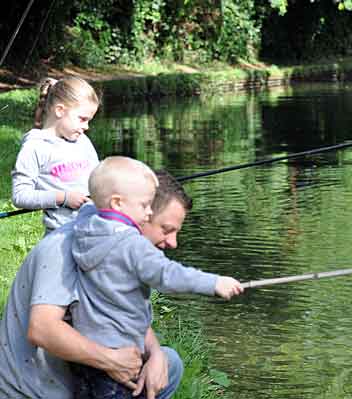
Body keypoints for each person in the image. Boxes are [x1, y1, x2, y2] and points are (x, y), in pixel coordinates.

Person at [0, 167, 209, 399]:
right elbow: (42, 329)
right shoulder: (62, 248)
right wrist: (111, 361)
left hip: (77, 379)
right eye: (166, 230)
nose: (173, 243)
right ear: (139, 214)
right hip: (32, 390)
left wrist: (156, 353)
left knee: (169, 364)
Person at [70, 156, 243, 398]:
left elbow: (90, 206)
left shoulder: (86, 228)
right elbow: (168, 275)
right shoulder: (132, 245)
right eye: (144, 206)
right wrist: (214, 283)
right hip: (119, 355)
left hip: (86, 356)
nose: (148, 212)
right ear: (118, 203)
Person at [11, 76, 100, 235]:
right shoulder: (35, 147)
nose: (86, 127)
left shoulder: (83, 141)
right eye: (82, 119)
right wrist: (63, 198)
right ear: (60, 110)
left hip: (94, 229)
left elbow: (98, 176)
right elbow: (20, 195)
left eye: (89, 121)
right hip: (60, 235)